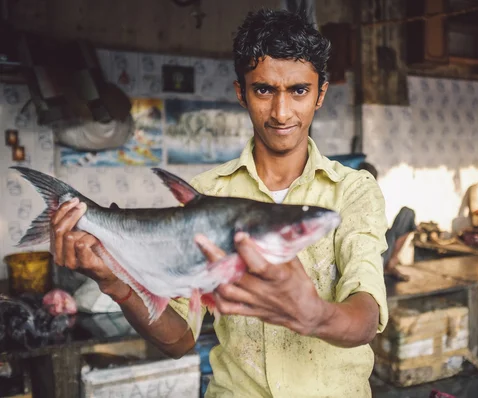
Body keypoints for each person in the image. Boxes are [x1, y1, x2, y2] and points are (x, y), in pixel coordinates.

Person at [49, 9, 389, 397]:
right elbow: (179, 340)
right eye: (264, 90)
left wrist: (316, 315)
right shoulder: (206, 192)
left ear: (320, 95)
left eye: (298, 90)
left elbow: (366, 317)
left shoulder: (352, 191)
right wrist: (113, 280)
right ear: (241, 93)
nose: (281, 112)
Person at [358, 161, 415, 281]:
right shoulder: (352, 200)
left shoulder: (374, 199)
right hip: (366, 261)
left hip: (379, 255)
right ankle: (388, 266)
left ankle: (391, 264)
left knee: (407, 213)